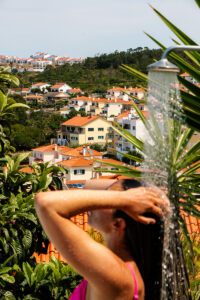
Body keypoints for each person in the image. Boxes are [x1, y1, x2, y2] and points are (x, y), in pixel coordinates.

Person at [34, 178, 169, 300]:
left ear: (118, 224)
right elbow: (90, 183)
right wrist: (149, 194)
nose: (98, 202)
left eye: (112, 198)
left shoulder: (116, 273)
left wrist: (124, 199)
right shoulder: (119, 268)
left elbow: (45, 203)